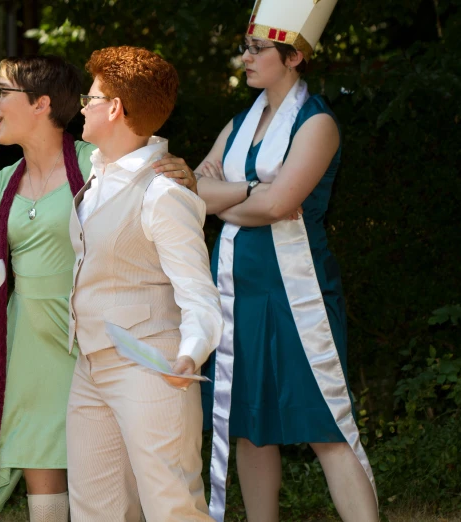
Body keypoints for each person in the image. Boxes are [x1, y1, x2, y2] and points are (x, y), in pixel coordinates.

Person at [0, 55, 196, 522]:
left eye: (1, 93)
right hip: (30, 339)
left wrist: (181, 171)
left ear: (41, 104)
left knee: (121, 476)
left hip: (93, 333)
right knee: (42, 463)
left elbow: (149, 187)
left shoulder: (95, 161)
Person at [152, 1, 379, 521]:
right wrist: (252, 189)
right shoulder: (240, 122)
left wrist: (230, 198)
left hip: (297, 296)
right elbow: (198, 195)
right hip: (236, 290)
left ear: (293, 56)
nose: (245, 58)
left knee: (326, 423)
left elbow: (278, 206)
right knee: (247, 425)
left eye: (257, 49)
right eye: (246, 48)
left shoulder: (317, 123)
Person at [65, 46, 223, 522]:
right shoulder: (95, 176)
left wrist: (190, 353)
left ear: (114, 109)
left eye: (89, 97)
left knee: (172, 507)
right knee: (95, 509)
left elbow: (198, 291)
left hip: (152, 368)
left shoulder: (164, 192)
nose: (82, 106)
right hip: (88, 365)